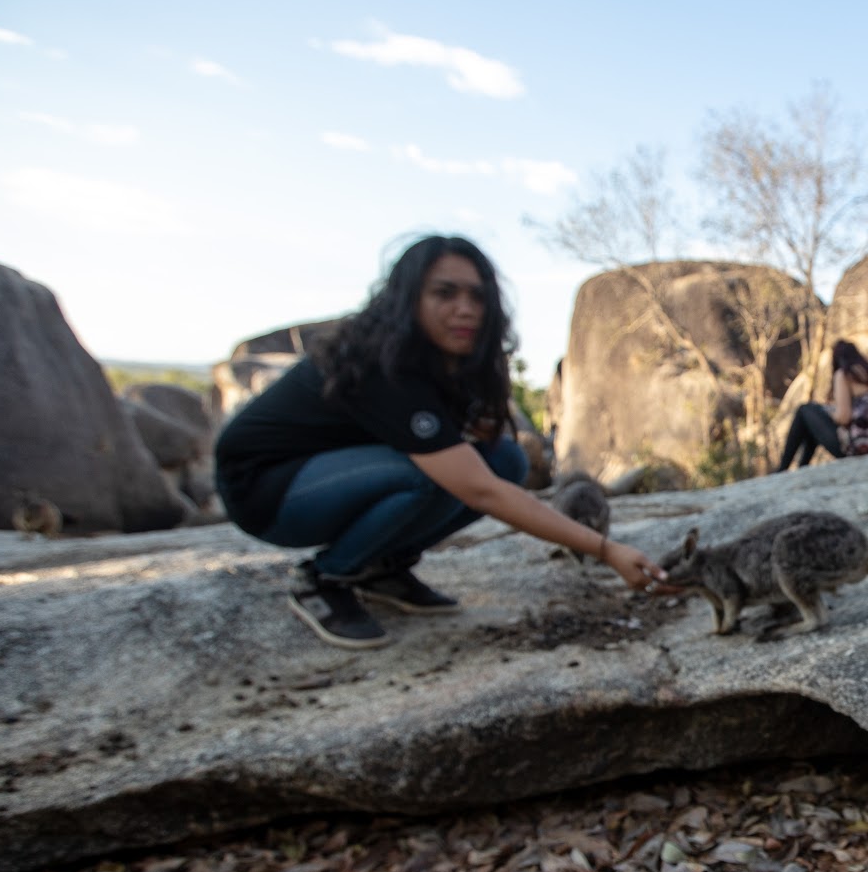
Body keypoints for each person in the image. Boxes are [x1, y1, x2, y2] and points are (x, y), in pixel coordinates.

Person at [214, 234, 671, 650]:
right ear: (407, 298)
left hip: (337, 473)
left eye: (477, 295)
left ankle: (380, 567)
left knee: (506, 461)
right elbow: (478, 489)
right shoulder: (384, 365)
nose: (466, 308)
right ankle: (324, 577)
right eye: (444, 293)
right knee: (429, 476)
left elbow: (492, 457)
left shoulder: (445, 360)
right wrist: (605, 549)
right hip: (265, 490)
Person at [776, 340, 868, 470]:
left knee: (805, 410)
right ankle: (802, 468)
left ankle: (782, 468)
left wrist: (829, 412)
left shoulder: (844, 374)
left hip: (855, 448)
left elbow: (844, 417)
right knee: (813, 422)